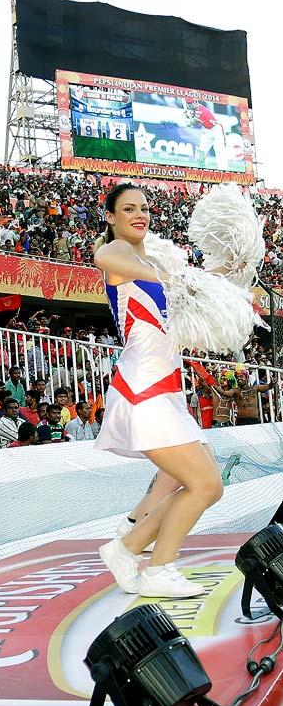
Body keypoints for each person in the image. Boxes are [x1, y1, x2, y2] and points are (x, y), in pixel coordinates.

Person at [93, 184, 224, 599]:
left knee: (208, 486)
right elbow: (104, 257)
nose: (140, 214)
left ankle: (126, 548)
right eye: (128, 208)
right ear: (111, 216)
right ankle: (159, 568)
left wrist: (223, 274)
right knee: (202, 485)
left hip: (166, 393)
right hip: (142, 392)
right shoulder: (117, 255)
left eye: (145, 208)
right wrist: (176, 278)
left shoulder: (148, 261)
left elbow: (187, 288)